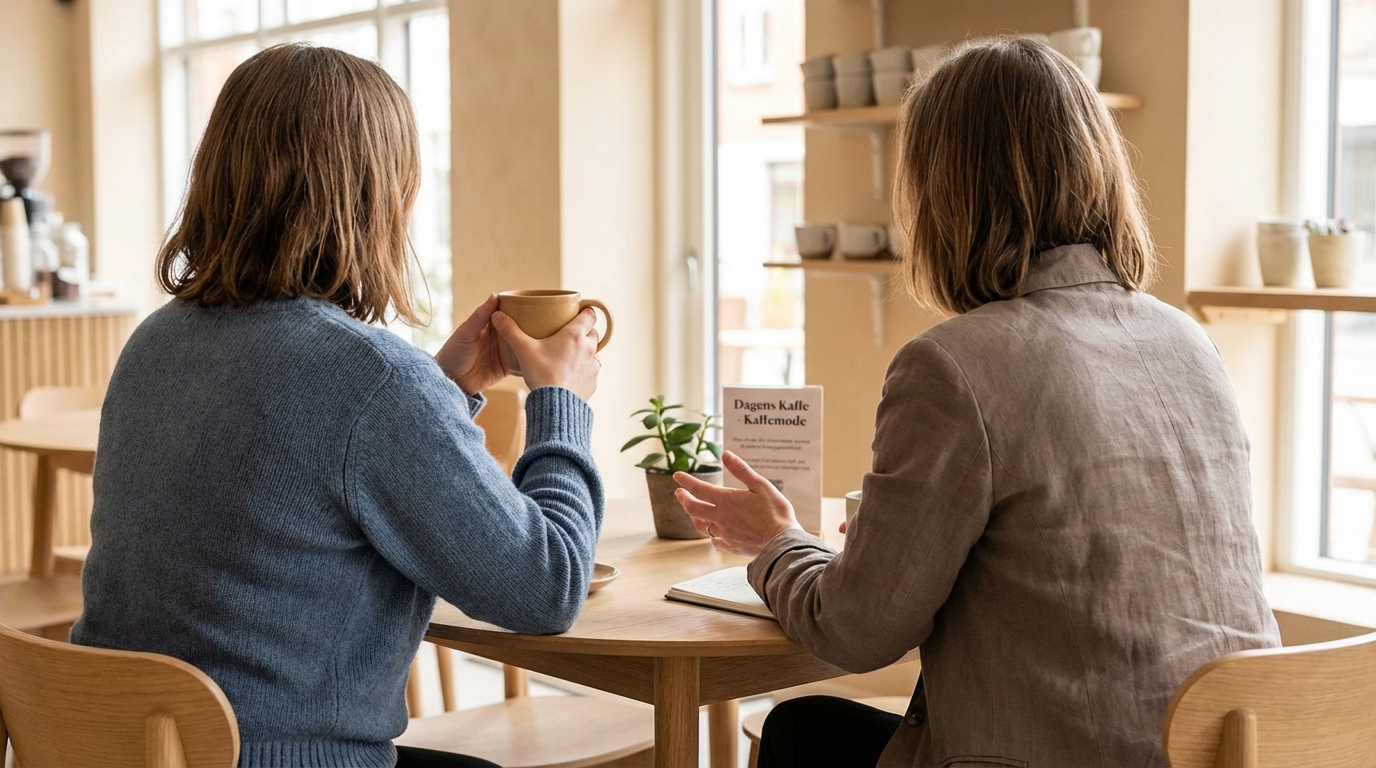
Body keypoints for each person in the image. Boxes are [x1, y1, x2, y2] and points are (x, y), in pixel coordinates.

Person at [675, 38, 1280, 768]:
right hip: (1213, 752)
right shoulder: (1190, 343)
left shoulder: (952, 367)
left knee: (800, 731)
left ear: (944, 192)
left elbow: (858, 632)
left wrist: (774, 543)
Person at [71, 43, 605, 768]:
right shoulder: (373, 379)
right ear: (377, 195)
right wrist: (561, 401)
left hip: (120, 750)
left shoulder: (154, 342)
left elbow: (290, 497)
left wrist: (443, 389)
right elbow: (547, 589)